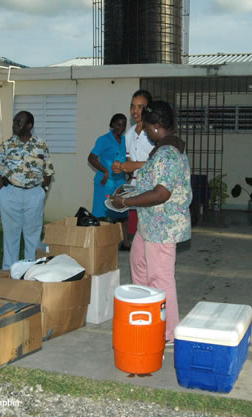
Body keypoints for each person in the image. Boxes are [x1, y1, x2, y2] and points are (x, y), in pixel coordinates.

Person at [111, 101, 191, 343]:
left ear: (157, 126)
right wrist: (128, 192)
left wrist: (127, 203)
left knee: (160, 278)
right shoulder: (162, 149)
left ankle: (168, 333)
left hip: (163, 227)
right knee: (139, 265)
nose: (145, 132)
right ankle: (146, 314)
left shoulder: (167, 153)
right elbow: (151, 182)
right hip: (150, 224)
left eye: (147, 129)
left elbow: (161, 193)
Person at [0, 111, 54, 271]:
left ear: (29, 125)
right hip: (10, 194)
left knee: (32, 236)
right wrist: (2, 194)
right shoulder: (6, 145)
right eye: (14, 122)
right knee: (10, 235)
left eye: (19, 122)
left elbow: (48, 171)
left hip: (34, 194)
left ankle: (30, 270)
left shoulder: (40, 145)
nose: (15, 125)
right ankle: (8, 271)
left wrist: (43, 191)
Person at [112, 90, 154, 241]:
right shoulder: (129, 134)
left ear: (149, 109)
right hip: (135, 191)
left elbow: (159, 163)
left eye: (140, 107)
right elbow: (130, 164)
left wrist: (134, 165)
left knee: (150, 238)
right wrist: (121, 167)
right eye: (132, 106)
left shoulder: (154, 133)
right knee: (136, 238)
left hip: (153, 191)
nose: (135, 111)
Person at [88, 113, 132, 248]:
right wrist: (105, 171)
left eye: (124, 124)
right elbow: (91, 158)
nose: (121, 127)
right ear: (112, 125)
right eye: (118, 124)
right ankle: (104, 245)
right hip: (105, 183)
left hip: (120, 182)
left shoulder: (125, 140)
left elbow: (127, 159)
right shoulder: (103, 139)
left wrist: (128, 171)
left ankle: (124, 242)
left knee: (122, 212)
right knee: (104, 214)